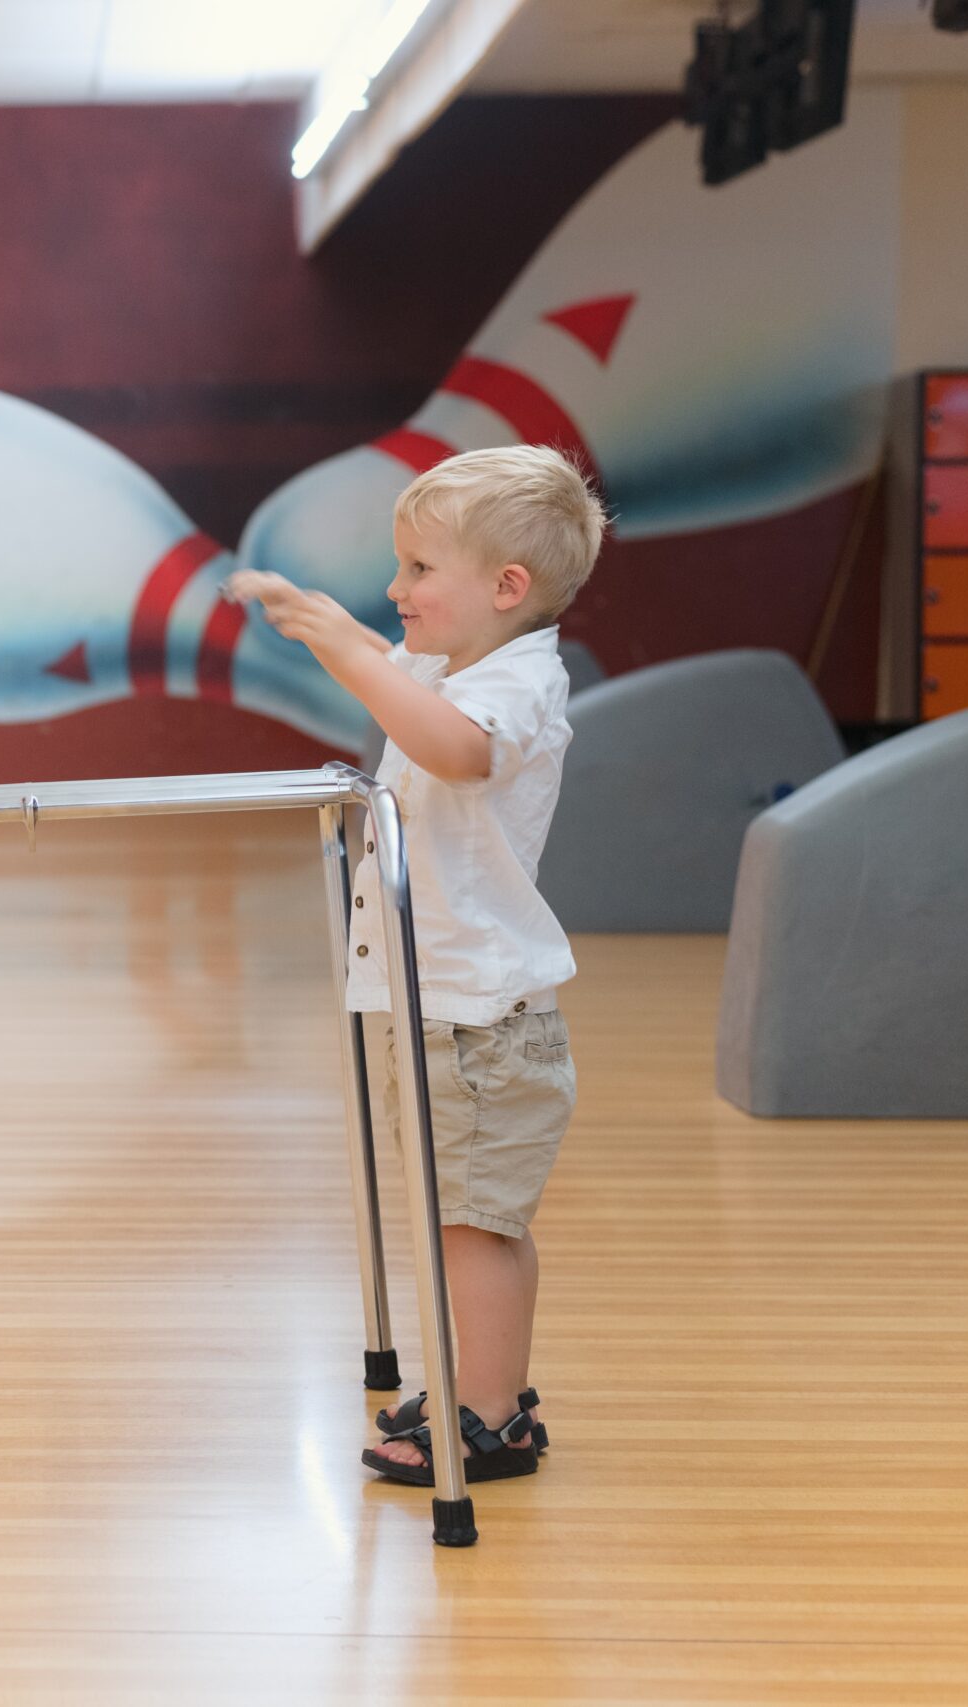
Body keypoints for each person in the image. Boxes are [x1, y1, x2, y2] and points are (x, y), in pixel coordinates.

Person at [225, 443, 605, 1487]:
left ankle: (487, 1418)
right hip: (432, 1000)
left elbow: (453, 751)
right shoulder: (456, 668)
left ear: (505, 588)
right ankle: (478, 1384)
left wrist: (350, 647)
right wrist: (341, 639)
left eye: (417, 570)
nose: (395, 591)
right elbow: (414, 710)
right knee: (455, 1212)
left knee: (473, 1224)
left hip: (476, 1015)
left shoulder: (518, 684)